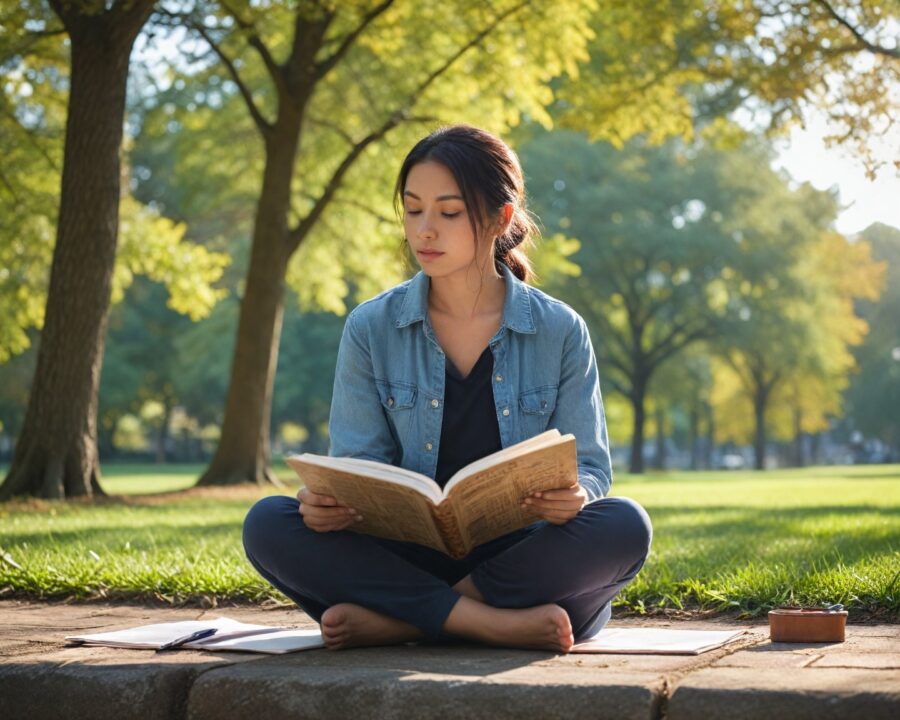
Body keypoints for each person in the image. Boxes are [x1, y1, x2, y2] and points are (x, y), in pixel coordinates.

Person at [243, 125, 651, 653]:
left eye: (449, 212)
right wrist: (328, 505)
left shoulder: (560, 329)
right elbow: (359, 464)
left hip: (523, 555)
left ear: (500, 219)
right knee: (268, 523)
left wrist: (577, 497)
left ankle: (405, 620)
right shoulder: (370, 327)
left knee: (624, 525)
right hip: (408, 557)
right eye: (413, 210)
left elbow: (591, 468)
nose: (425, 230)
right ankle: (491, 623)